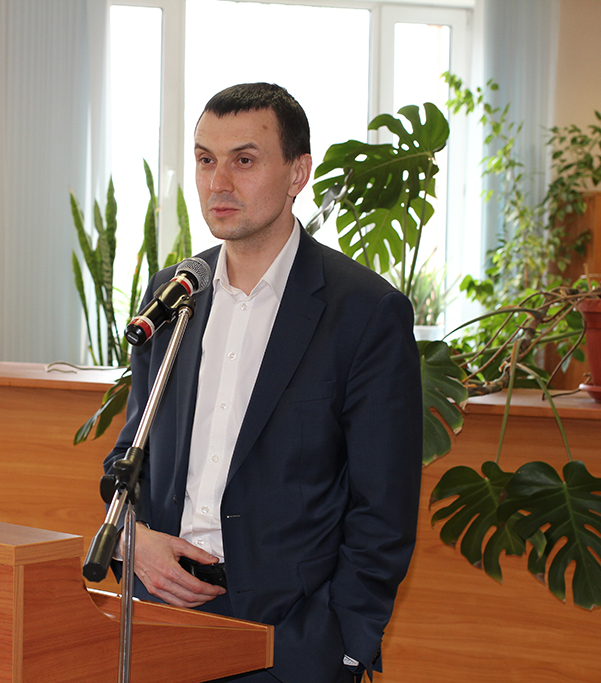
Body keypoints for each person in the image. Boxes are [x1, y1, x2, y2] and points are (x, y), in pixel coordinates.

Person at [104, 82, 422, 683]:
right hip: (158, 618)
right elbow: (130, 457)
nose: (218, 183)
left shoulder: (363, 311)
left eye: (244, 160)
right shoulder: (174, 295)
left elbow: (383, 508)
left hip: (289, 642)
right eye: (205, 160)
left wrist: (342, 647)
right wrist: (133, 540)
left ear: (298, 172)